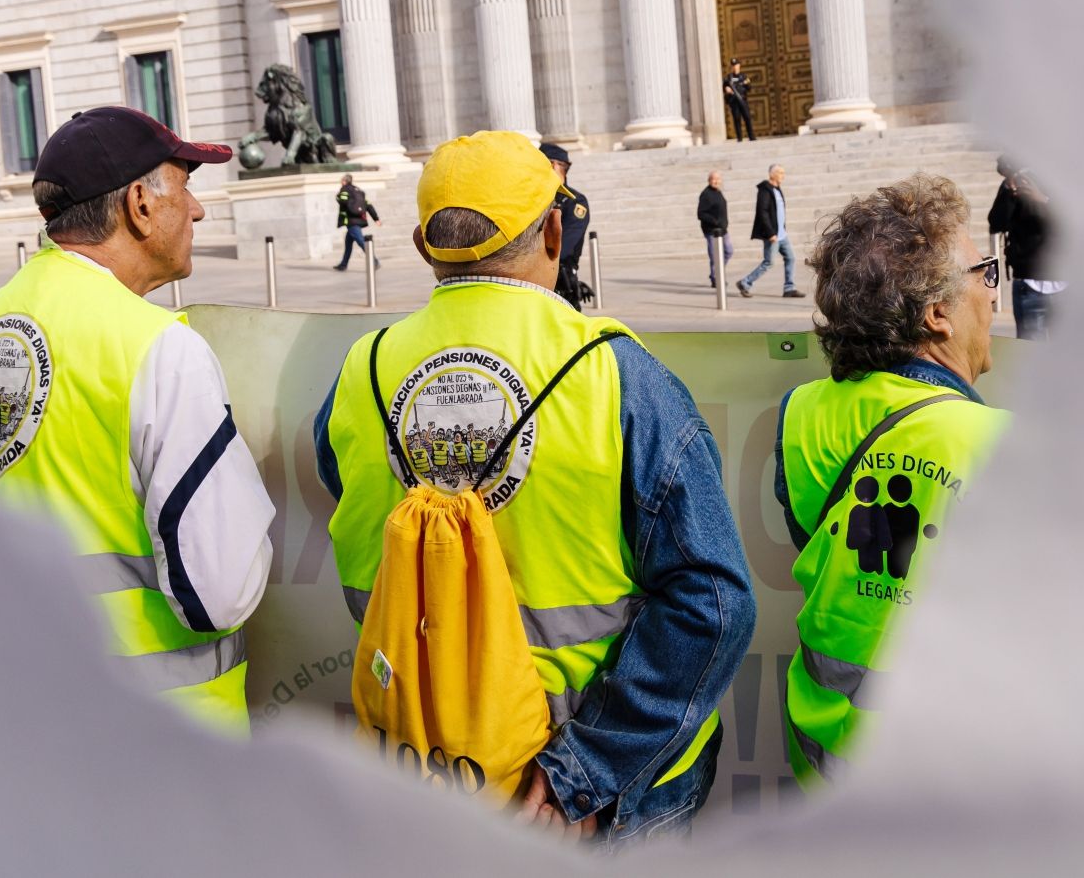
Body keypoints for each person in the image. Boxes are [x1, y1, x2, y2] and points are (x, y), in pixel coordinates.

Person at [313, 131, 755, 846]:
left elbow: (348, 493)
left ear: (426, 248)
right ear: (554, 229)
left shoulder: (361, 370)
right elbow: (714, 601)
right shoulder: (614, 371)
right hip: (591, 796)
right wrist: (579, 770)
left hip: (430, 760)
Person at [0, 106, 273, 736]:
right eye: (186, 187)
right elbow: (218, 593)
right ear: (139, 203)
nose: (197, 211)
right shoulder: (158, 348)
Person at [774, 174, 1008, 785]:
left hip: (826, 749)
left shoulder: (801, 413)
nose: (992, 293)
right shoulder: (995, 445)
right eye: (983, 272)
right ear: (938, 315)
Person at [987, 157, 1062, 338]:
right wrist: (1008, 188)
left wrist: (1043, 201)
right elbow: (996, 223)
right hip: (1030, 287)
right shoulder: (1018, 184)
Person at [737, 163, 804, 298]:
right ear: (772, 174)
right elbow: (763, 212)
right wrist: (770, 233)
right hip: (772, 235)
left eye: (783, 173)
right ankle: (745, 282)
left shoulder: (777, 189)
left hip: (782, 234)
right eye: (780, 173)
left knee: (791, 258)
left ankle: (789, 288)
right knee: (769, 262)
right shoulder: (765, 190)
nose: (783, 176)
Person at [540, 141, 591, 311]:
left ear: (554, 165)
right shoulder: (533, 199)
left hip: (561, 283)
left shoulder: (575, 202)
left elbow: (564, 246)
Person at [333, 172, 381, 272]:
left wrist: (338, 196)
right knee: (348, 243)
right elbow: (368, 205)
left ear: (344, 181)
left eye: (341, 181)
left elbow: (342, 200)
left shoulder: (345, 189)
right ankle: (343, 264)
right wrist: (376, 218)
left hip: (351, 221)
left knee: (362, 242)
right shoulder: (359, 191)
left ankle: (374, 261)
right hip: (359, 218)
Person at [697, 170, 733, 288]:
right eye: (713, 179)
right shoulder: (706, 194)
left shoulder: (718, 192)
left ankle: (717, 273)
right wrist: (714, 221)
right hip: (711, 231)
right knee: (715, 255)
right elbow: (701, 214)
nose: (716, 181)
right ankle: (716, 278)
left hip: (723, 229)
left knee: (728, 251)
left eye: (718, 179)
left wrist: (724, 223)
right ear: (709, 181)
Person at [723, 59, 756, 140]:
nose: (735, 67)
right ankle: (739, 138)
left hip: (742, 100)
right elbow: (724, 87)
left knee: (747, 118)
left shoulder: (744, 77)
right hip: (734, 101)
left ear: (739, 65)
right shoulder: (728, 78)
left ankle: (752, 137)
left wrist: (745, 84)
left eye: (736, 65)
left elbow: (749, 88)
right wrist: (726, 89)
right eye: (733, 65)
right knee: (737, 119)